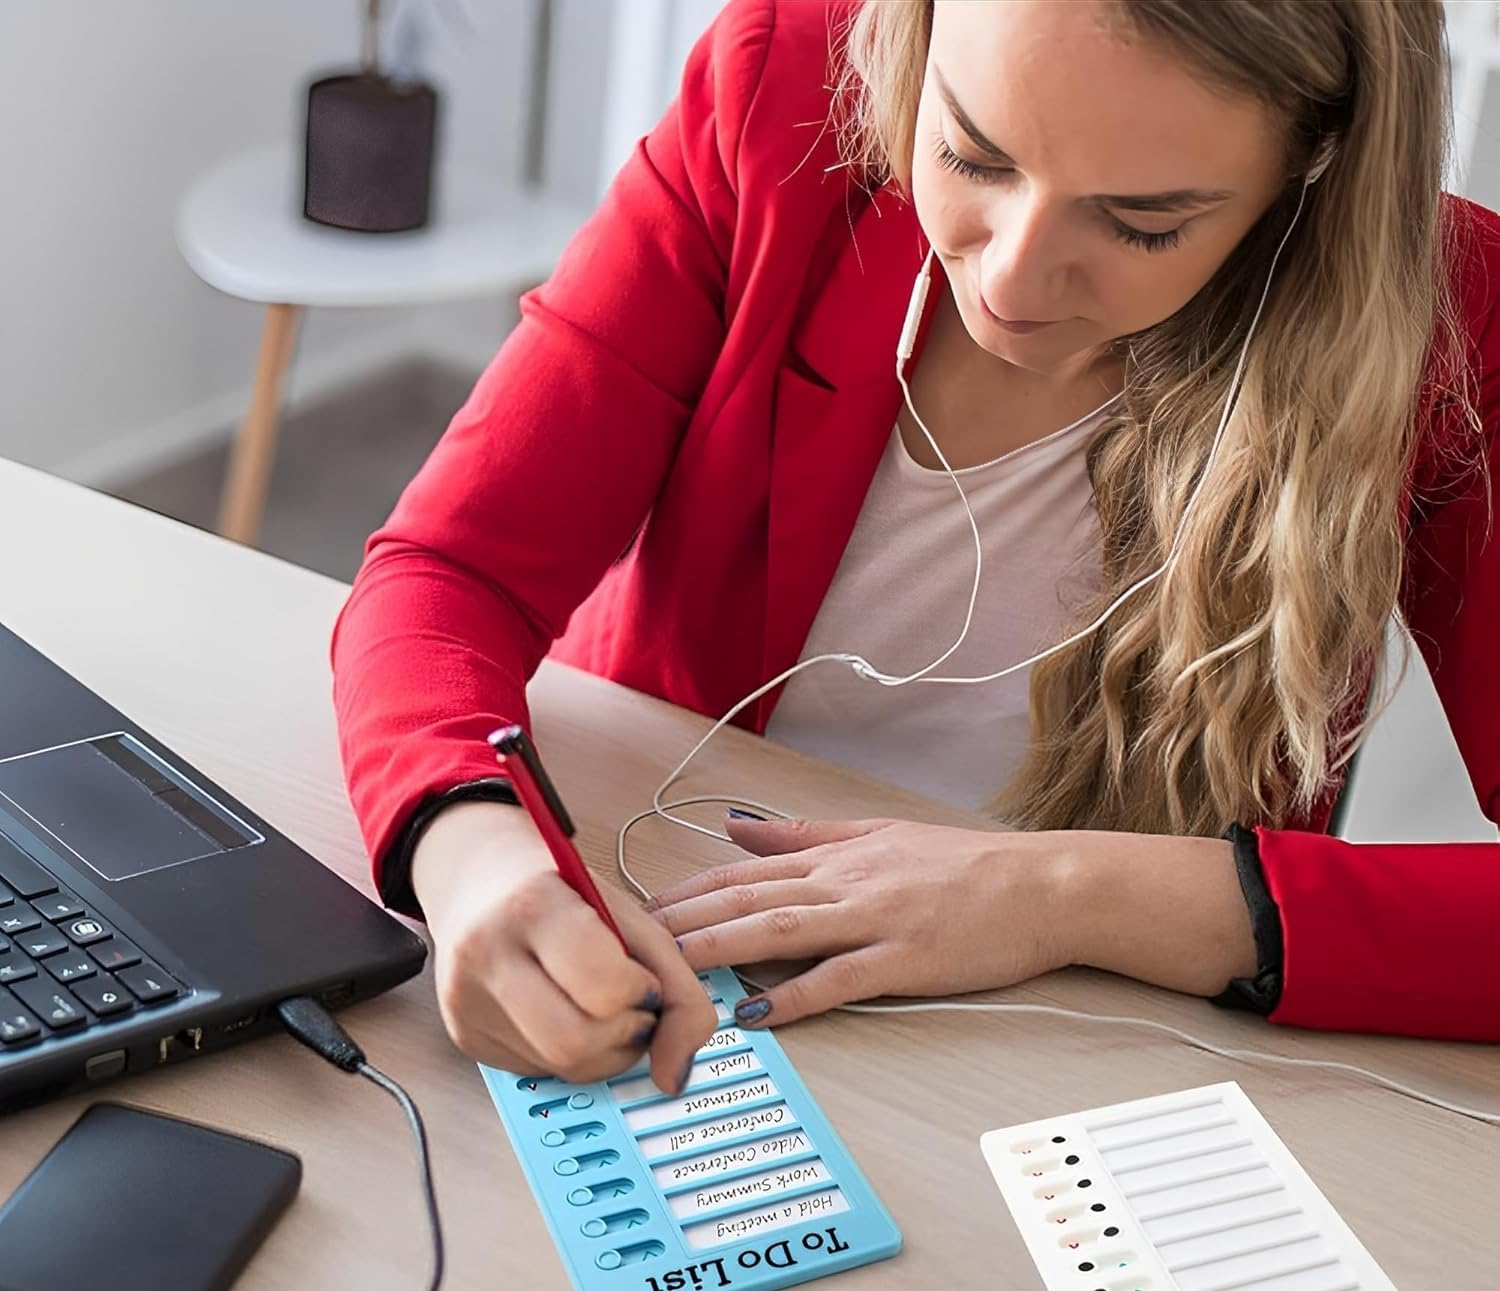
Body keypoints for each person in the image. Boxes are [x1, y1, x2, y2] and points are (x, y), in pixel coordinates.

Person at [331, 0, 1500, 1095]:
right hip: (670, 923)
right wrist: (473, 849)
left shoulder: (1449, 313)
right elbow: (447, 573)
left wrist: (1062, 893)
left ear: (1313, 164)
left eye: (1143, 222)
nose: (1010, 279)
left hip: (1094, 1048)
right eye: (974, 155)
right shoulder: (781, 85)